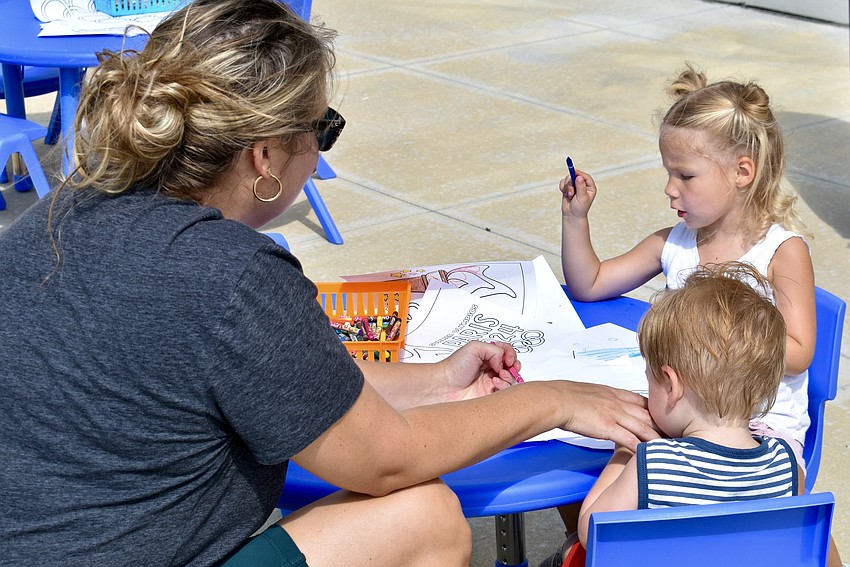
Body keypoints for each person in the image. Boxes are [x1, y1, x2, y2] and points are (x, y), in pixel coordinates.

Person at [0, 1, 657, 566]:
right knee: (421, 517)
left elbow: (282, 381)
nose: (321, 149)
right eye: (322, 131)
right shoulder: (231, 271)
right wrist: (555, 399)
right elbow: (388, 457)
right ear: (263, 157)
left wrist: (437, 378)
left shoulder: (62, 211)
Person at [560, 62, 815, 471]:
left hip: (759, 430)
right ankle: (595, 532)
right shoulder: (674, 243)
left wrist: (704, 328)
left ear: (742, 172)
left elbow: (799, 353)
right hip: (681, 418)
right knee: (595, 443)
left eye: (685, 175)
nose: (669, 188)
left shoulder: (781, 252)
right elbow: (590, 284)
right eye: (668, 173)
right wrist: (575, 219)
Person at [554, 262, 801, 564]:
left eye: (649, 379)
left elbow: (591, 531)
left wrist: (624, 451)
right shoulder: (786, 463)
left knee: (571, 550)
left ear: (671, 386)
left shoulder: (652, 463)